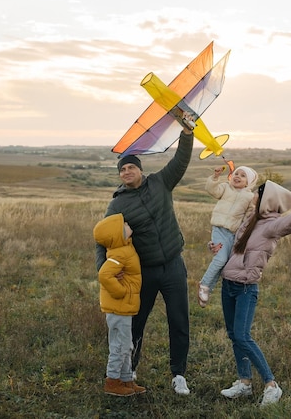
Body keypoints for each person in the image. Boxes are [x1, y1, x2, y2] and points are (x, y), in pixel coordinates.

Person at [95, 125, 194, 396]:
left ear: (140, 169)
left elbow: (181, 160)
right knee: (136, 322)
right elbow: (103, 239)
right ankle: (130, 371)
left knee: (179, 320)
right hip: (143, 272)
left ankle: (179, 374)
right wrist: (102, 272)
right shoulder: (117, 205)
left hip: (174, 265)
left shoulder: (161, 182)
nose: (126, 172)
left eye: (131, 168)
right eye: (122, 170)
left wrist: (186, 134)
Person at [219, 180, 291, 406]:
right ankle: (244, 382)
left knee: (243, 336)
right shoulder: (251, 220)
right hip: (228, 285)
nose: (254, 194)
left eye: (258, 192)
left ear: (267, 199)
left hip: (246, 287)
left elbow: (288, 224)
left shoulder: (271, 225)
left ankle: (271, 385)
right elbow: (235, 247)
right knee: (234, 335)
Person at [93, 213, 147, 397]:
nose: (127, 224)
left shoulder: (125, 247)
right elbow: (104, 275)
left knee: (126, 344)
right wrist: (120, 292)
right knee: (119, 345)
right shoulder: (119, 253)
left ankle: (126, 380)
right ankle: (112, 380)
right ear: (117, 235)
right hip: (118, 306)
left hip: (124, 307)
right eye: (123, 224)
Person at [198, 165, 258, 308]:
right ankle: (204, 285)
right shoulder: (225, 188)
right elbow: (212, 189)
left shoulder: (249, 197)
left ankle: (208, 288)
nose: (238, 177)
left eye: (243, 176)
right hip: (219, 228)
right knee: (220, 259)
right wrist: (215, 177)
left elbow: (248, 217)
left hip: (232, 233)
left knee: (224, 263)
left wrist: (255, 204)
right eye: (237, 173)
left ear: (248, 182)